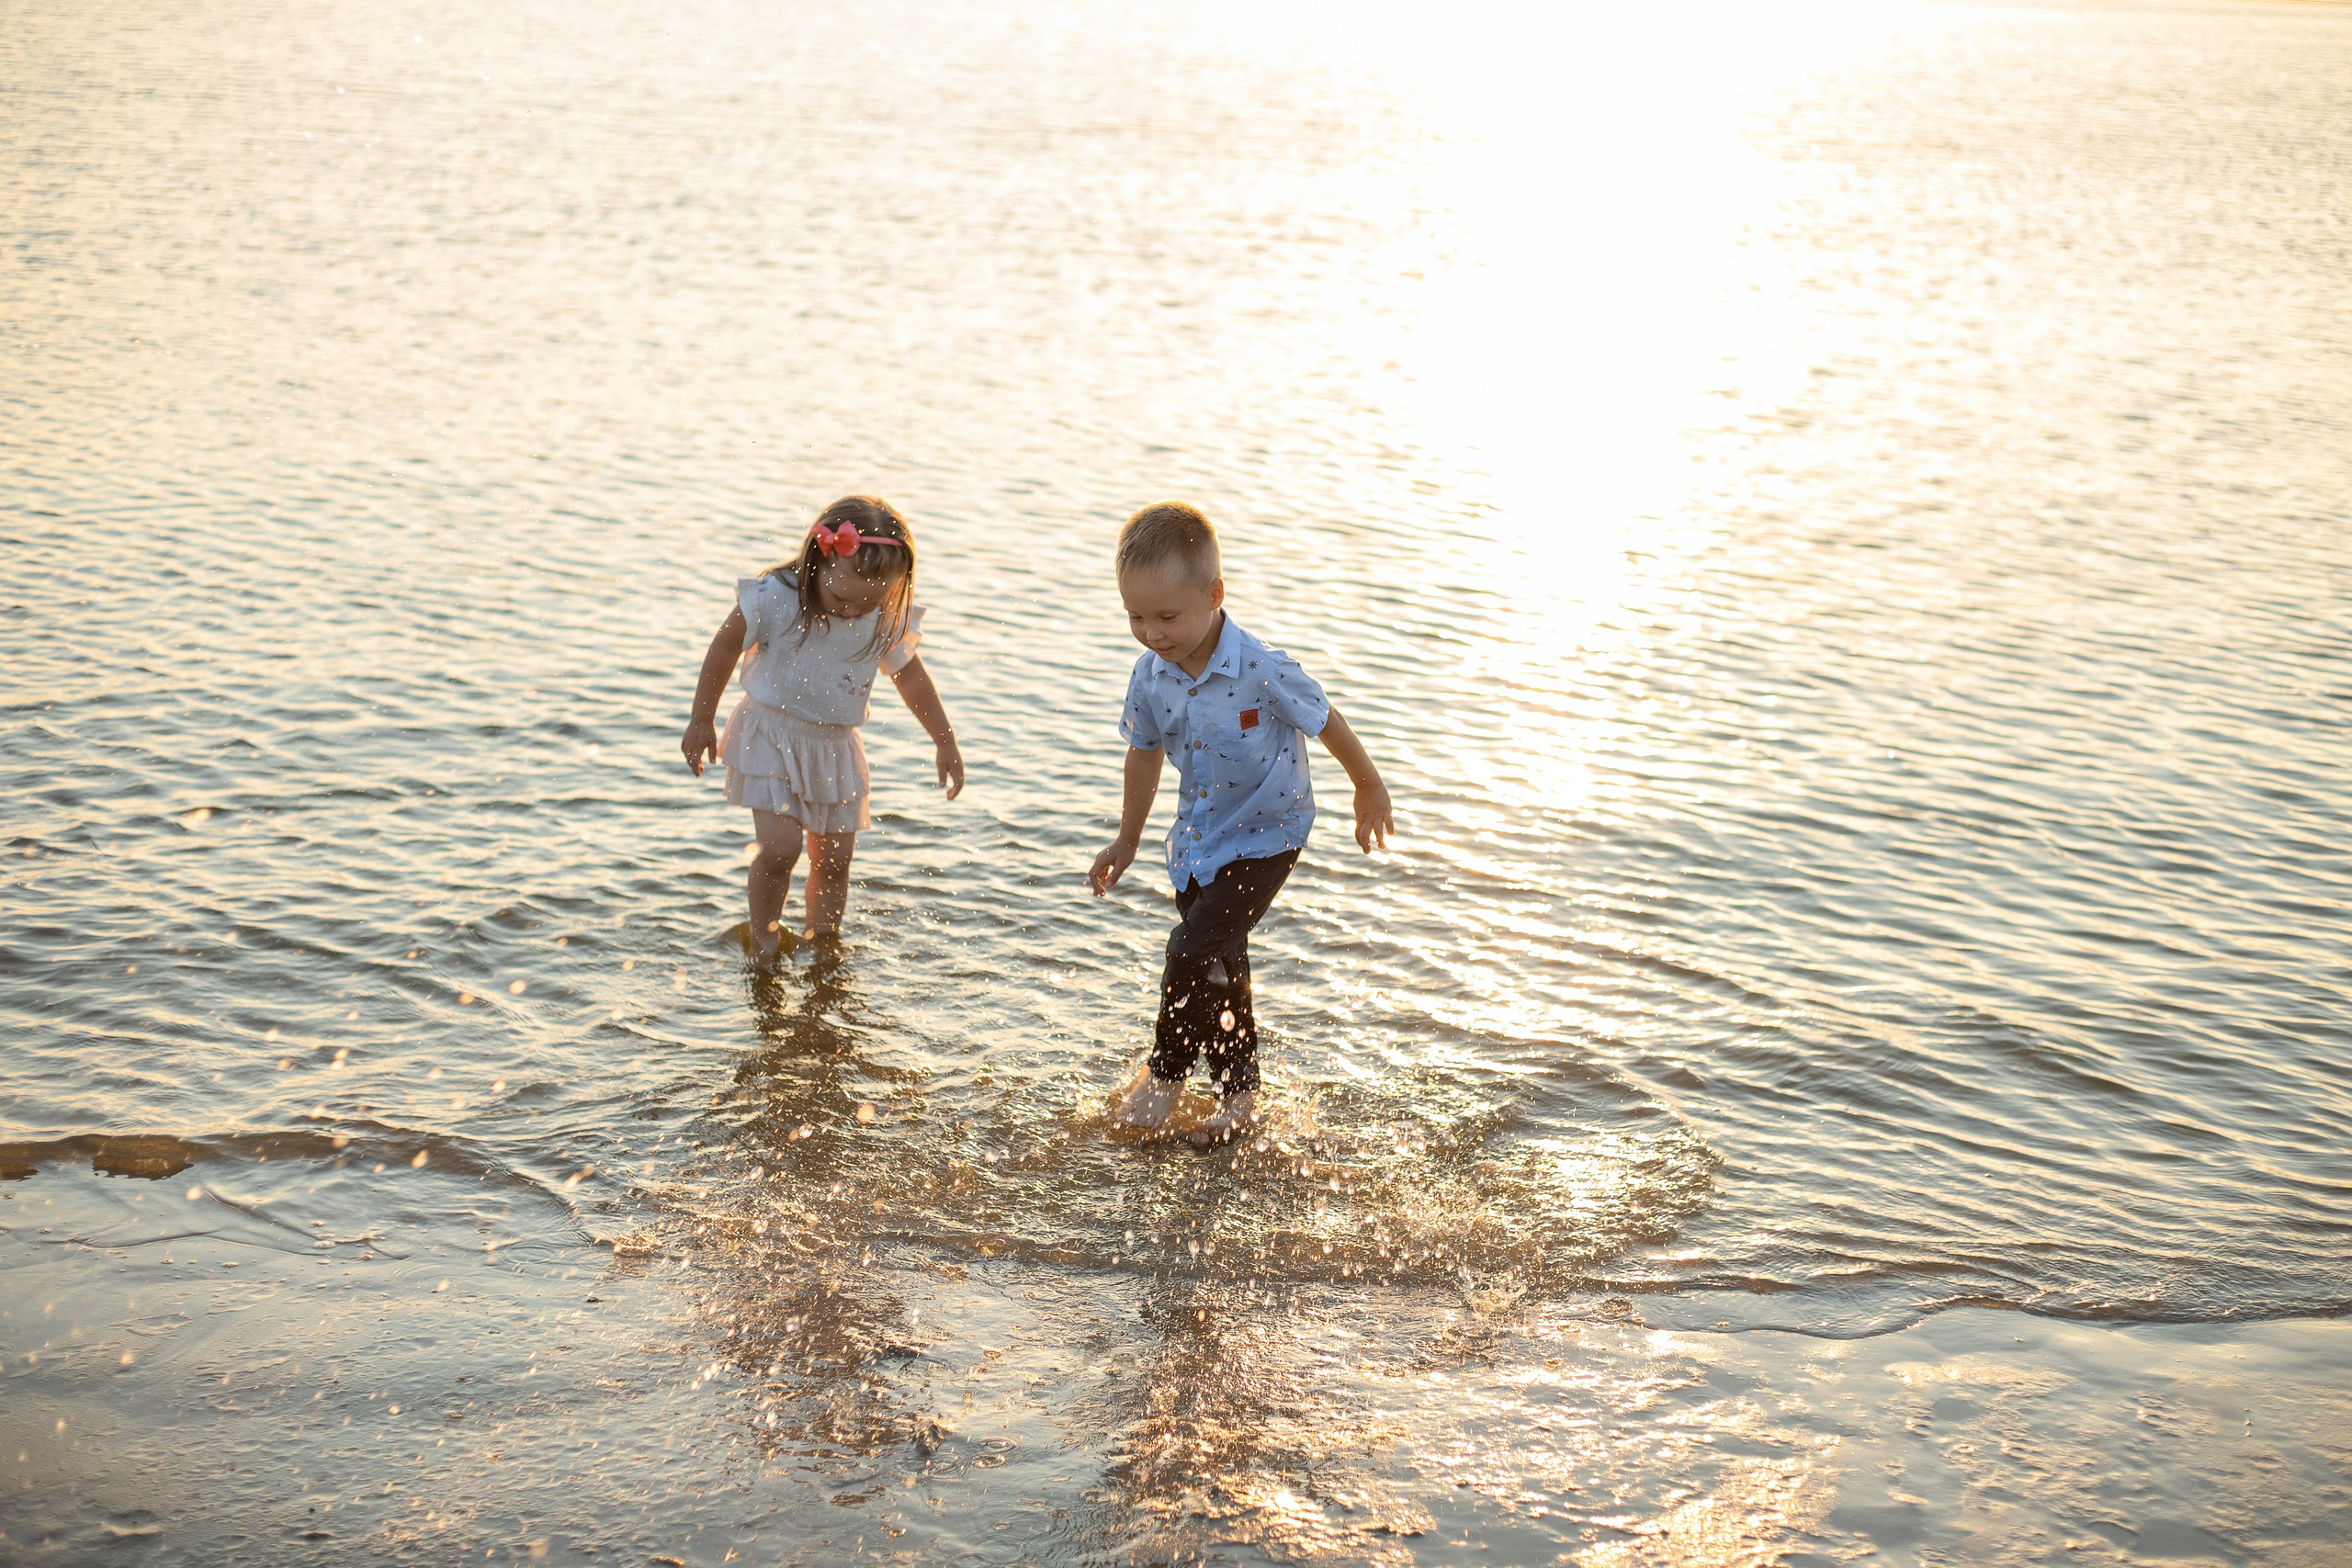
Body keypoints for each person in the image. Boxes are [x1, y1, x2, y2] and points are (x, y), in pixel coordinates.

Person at [1088, 502, 1395, 1145]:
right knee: (1219, 965)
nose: (1151, 633)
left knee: (1188, 950)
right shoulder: (1150, 677)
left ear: (1215, 595)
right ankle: (1239, 1097)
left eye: (1167, 617)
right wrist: (1127, 838)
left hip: (1268, 838)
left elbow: (1325, 719)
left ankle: (1164, 1081)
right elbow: (1143, 751)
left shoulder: (1261, 669)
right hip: (1199, 841)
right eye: (1136, 617)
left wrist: (1367, 784)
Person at [681, 496, 963, 961]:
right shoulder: (777, 597)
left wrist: (945, 741)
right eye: (842, 599)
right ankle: (764, 944)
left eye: (869, 603)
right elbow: (725, 646)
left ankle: (823, 944)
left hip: (835, 746)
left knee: (834, 860)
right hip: (770, 735)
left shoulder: (883, 617)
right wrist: (701, 719)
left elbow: (911, 677)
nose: (853, 612)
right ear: (818, 561)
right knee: (780, 849)